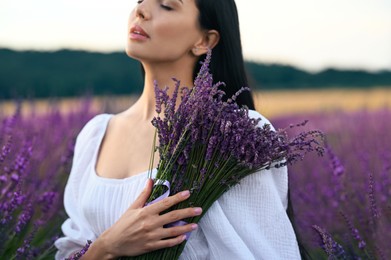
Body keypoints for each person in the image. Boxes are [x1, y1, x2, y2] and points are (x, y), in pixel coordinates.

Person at [54, 0, 302, 259]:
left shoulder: (235, 134)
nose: (140, 11)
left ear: (204, 41)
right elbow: (72, 249)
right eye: (139, 0)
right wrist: (107, 246)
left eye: (166, 5)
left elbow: (266, 251)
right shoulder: (96, 135)